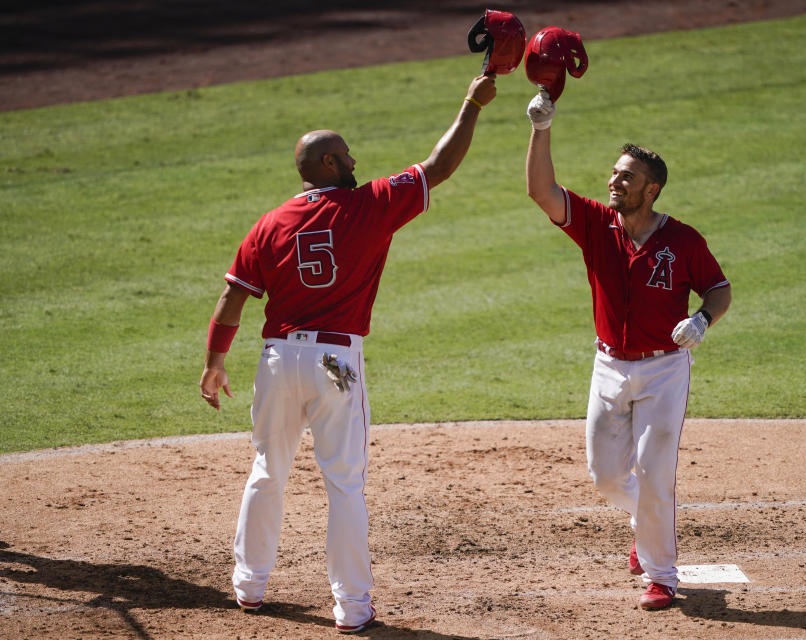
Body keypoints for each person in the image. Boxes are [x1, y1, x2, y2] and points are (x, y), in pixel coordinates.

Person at [199, 73, 497, 633]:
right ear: (331, 164)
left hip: (276, 359)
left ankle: (249, 587)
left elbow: (231, 298)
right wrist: (471, 104)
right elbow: (438, 167)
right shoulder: (369, 205)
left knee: (267, 470)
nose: (355, 159)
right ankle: (353, 607)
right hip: (335, 362)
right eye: (347, 153)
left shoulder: (269, 224)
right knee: (344, 482)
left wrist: (215, 363)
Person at [524, 89, 731, 610]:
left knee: (656, 472)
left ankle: (661, 574)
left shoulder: (683, 240)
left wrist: (702, 318)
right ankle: (646, 528)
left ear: (651, 189)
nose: (615, 181)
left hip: (665, 369)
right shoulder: (596, 225)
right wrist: (541, 127)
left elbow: (719, 287)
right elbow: (541, 190)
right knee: (606, 475)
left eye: (627, 177)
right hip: (609, 365)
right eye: (615, 173)